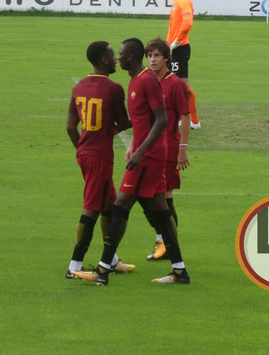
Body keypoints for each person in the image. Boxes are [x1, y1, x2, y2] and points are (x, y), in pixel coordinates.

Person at [71, 38, 190, 286]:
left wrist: (140, 151)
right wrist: (129, 138)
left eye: (121, 54)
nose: (117, 58)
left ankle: (103, 270)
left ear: (131, 57)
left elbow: (162, 120)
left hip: (148, 158)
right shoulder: (135, 80)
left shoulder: (147, 80)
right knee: (161, 211)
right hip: (147, 154)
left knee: (119, 206)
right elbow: (141, 121)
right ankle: (180, 271)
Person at [65, 41, 134, 279]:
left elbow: (70, 127)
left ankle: (111, 260)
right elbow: (123, 122)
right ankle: (74, 266)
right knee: (92, 208)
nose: (116, 59)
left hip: (85, 153)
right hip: (100, 157)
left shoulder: (79, 87)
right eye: (113, 55)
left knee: (109, 204)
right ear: (104, 59)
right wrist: (143, 118)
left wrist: (82, 149)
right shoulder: (114, 88)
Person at [140, 38, 190, 261]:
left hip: (168, 148)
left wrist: (183, 149)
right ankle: (165, 241)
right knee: (150, 197)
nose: (152, 60)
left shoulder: (175, 84)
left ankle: (167, 244)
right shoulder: (148, 81)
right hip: (150, 148)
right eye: (149, 56)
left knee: (165, 197)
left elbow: (186, 117)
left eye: (156, 56)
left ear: (166, 59)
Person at [164, 0, 200, 130]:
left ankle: (195, 121)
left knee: (183, 85)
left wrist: (176, 42)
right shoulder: (176, 1)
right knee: (173, 83)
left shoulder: (183, 0)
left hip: (180, 48)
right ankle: (179, 117)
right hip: (173, 48)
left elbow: (187, 23)